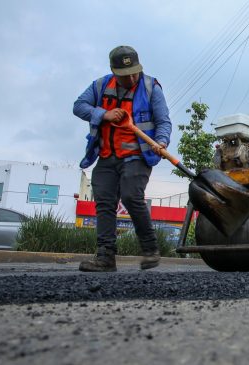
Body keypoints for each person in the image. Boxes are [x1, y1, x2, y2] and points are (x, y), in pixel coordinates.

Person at [73, 45, 172, 272]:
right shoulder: (100, 85)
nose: (131, 77)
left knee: (130, 196)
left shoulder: (150, 87)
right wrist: (103, 114)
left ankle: (150, 249)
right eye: (125, 75)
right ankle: (105, 258)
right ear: (114, 72)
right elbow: (78, 106)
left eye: (134, 72)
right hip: (107, 156)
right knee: (104, 204)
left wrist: (162, 141)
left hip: (137, 156)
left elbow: (164, 121)